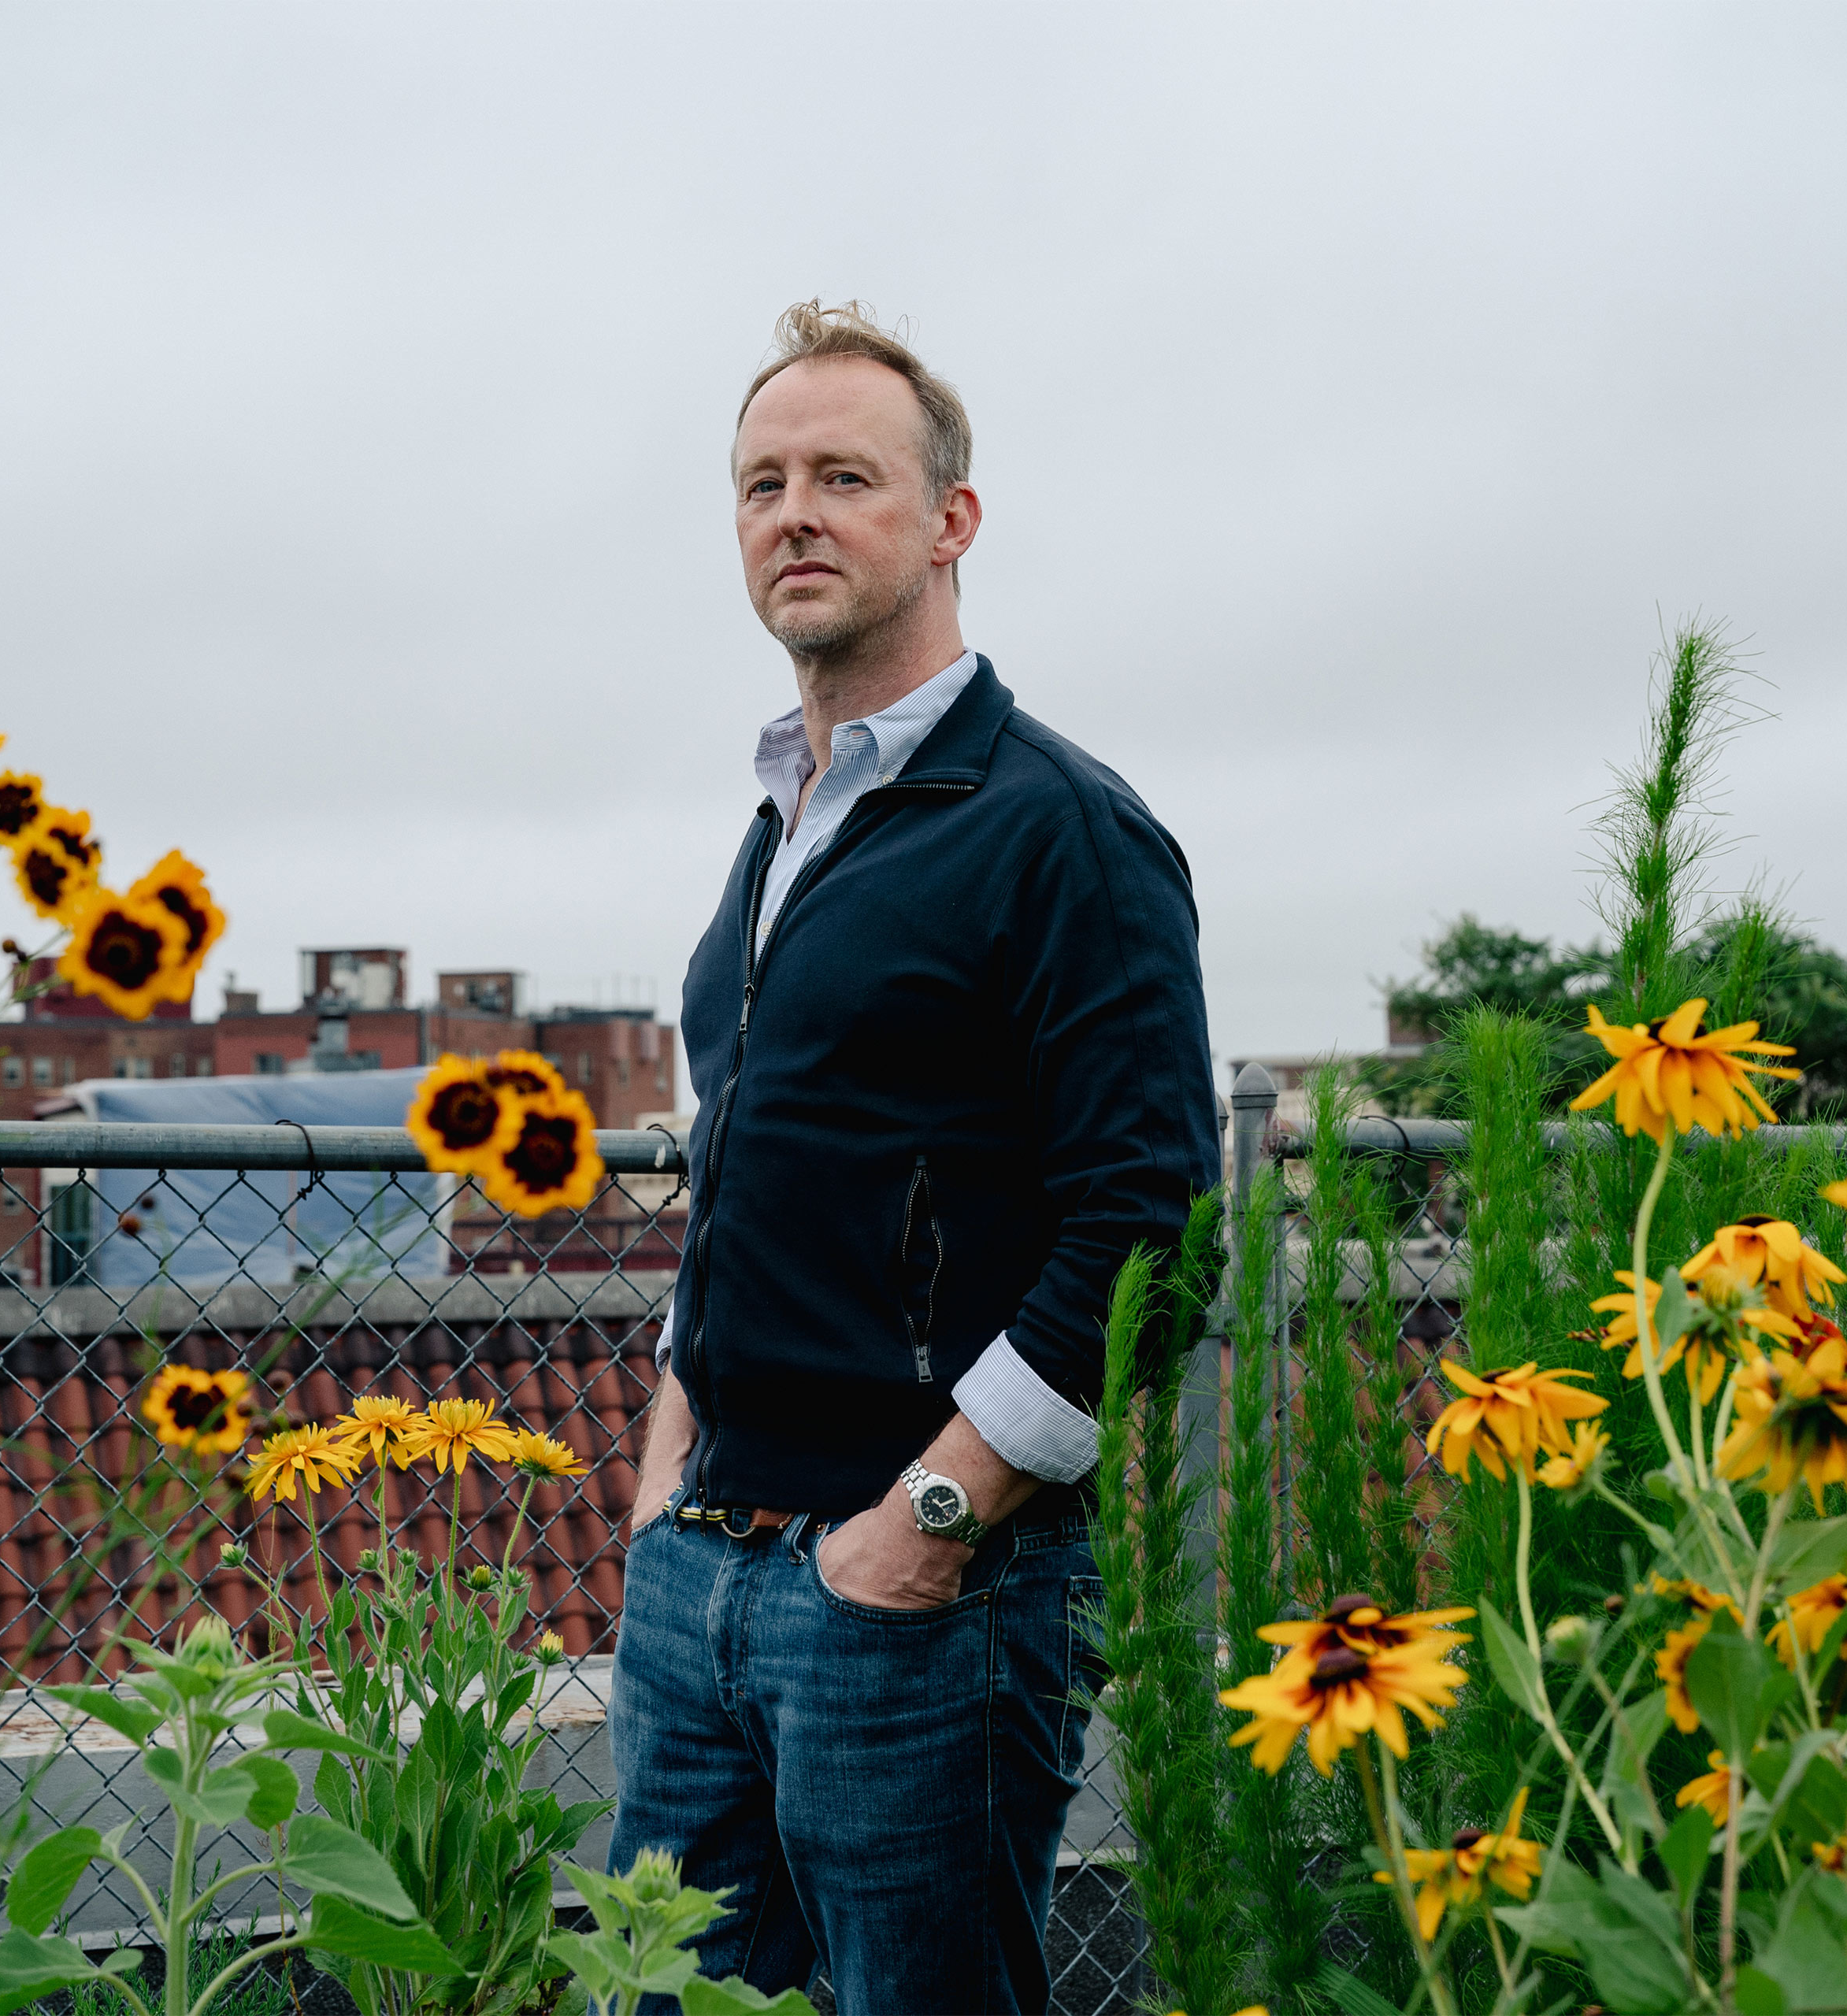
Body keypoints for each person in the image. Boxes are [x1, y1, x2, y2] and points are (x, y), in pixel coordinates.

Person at [605, 300, 1219, 2014]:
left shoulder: (1059, 827)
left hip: (920, 1597)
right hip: (702, 1568)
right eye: (759, 483)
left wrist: (927, 1520)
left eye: (844, 478)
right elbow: (749, 1172)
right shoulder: (780, 827)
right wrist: (669, 1461)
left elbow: (1148, 1227)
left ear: (948, 520)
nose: (792, 513)